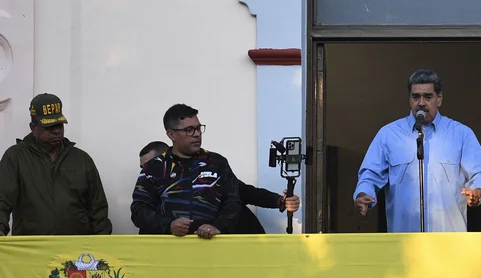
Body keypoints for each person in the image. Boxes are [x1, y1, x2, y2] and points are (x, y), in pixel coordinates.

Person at [353, 69, 481, 232]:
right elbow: (370, 174)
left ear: (439, 99)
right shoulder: (389, 135)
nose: (421, 103)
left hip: (449, 242)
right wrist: (363, 194)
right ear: (409, 99)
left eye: (428, 97)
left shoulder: (461, 134)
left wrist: (478, 192)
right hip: (405, 242)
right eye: (415, 97)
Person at [0, 93, 112, 236]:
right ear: (33, 127)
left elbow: (98, 208)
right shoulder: (15, 157)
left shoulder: (81, 159)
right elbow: (2, 199)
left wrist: (102, 240)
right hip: (32, 249)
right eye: (49, 126)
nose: (57, 130)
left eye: (59, 124)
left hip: (76, 250)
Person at [137, 141, 301, 234]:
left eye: (149, 165)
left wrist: (279, 201)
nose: (147, 171)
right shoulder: (149, 192)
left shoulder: (208, 171)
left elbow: (245, 192)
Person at [130, 104, 241, 239]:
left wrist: (218, 226)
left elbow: (233, 202)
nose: (196, 134)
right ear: (171, 134)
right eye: (189, 130)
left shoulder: (217, 163)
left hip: (212, 246)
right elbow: (139, 210)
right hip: (167, 250)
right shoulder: (155, 167)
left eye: (198, 128)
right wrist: (168, 225)